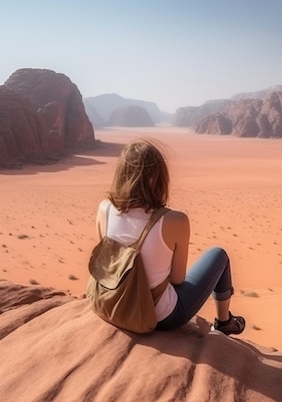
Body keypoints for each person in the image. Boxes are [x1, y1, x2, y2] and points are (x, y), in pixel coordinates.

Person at [95, 137, 245, 335]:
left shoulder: (104, 208)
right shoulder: (175, 220)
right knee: (219, 255)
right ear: (157, 178)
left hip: (107, 304)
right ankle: (224, 322)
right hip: (160, 316)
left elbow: (107, 263)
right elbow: (177, 279)